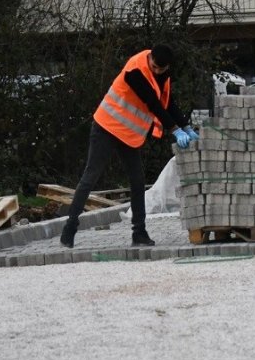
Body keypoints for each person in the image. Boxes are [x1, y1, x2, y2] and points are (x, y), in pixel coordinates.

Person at [61, 45, 198, 249]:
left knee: (137, 181)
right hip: (106, 127)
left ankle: (139, 233)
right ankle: (70, 227)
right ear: (150, 57)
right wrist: (175, 130)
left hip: (129, 134)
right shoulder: (135, 70)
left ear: (168, 67)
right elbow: (153, 103)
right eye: (154, 66)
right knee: (90, 177)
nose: (156, 71)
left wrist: (186, 126)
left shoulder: (163, 75)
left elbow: (167, 103)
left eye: (161, 69)